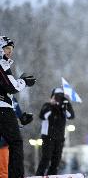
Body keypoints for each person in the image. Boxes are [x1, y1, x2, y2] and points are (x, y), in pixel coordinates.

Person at [0, 36, 36, 178]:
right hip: (3, 110)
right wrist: (24, 81)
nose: (9, 52)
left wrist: (21, 115)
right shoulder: (2, 63)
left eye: (11, 49)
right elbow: (12, 88)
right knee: (15, 143)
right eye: (7, 48)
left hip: (5, 106)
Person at [36, 87, 75, 176]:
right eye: (57, 96)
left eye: (61, 96)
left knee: (56, 160)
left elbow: (71, 116)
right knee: (46, 158)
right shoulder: (47, 105)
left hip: (60, 137)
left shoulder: (64, 108)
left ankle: (52, 175)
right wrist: (52, 105)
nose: (59, 98)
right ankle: (38, 175)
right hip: (47, 136)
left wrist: (67, 104)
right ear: (52, 96)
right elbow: (42, 116)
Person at [0, 97, 33, 178]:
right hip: (4, 141)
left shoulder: (12, 99)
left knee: (5, 171)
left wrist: (24, 119)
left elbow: (19, 117)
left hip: (8, 141)